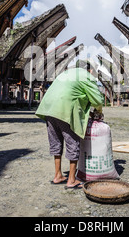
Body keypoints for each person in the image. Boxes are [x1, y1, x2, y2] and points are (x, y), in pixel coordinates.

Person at [35, 60, 104, 189]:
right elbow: (97, 99)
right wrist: (99, 111)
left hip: (49, 108)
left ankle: (58, 175)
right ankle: (71, 180)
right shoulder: (86, 76)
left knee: (56, 142)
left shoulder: (66, 73)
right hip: (64, 109)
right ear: (91, 70)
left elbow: (73, 93)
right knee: (73, 142)